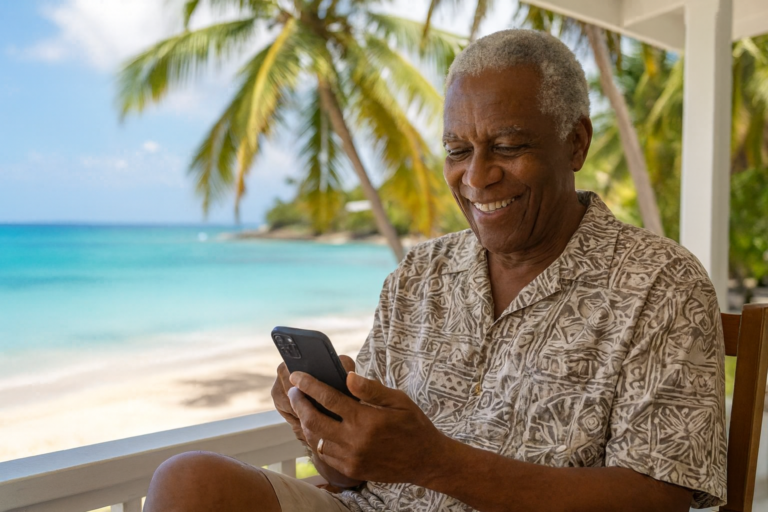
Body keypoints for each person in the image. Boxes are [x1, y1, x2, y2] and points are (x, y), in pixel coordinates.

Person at [143, 29, 726, 512]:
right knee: (189, 482)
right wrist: (323, 428)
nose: (476, 177)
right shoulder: (420, 274)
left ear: (575, 144)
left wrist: (436, 463)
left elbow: (655, 499)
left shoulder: (660, 285)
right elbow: (348, 479)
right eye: (457, 150)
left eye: (506, 145)